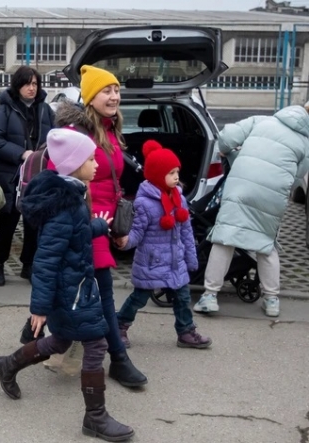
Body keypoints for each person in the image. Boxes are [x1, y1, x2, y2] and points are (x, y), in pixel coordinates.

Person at [0, 129, 134, 442]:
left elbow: (73, 235)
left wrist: (97, 226)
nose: (96, 164)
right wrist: (39, 308)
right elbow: (45, 260)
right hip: (70, 294)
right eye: (90, 158)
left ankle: (7, 365)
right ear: (73, 163)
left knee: (60, 342)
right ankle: (95, 417)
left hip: (75, 289)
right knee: (97, 343)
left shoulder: (71, 195)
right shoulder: (65, 205)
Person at [53, 65, 147, 388]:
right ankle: (118, 360)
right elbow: (58, 178)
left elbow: (113, 183)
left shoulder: (110, 131)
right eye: (106, 90)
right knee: (103, 292)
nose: (114, 96)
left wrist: (117, 227)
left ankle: (31, 339)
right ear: (91, 97)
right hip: (85, 222)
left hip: (104, 224)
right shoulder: (76, 134)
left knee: (80, 292)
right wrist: (82, 222)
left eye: (117, 90)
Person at [193, 105, 309, 317]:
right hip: (273, 195)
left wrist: (229, 153)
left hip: (241, 187)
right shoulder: (306, 142)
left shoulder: (262, 121)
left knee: (225, 238)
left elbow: (227, 137)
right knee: (266, 244)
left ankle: (209, 296)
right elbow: (298, 175)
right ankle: (272, 300)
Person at [115, 140, 211, 349]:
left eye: (177, 172)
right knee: (139, 298)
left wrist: (190, 257)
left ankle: (186, 331)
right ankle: (119, 325)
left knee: (183, 298)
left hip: (175, 261)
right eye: (171, 173)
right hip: (152, 261)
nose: (177, 177)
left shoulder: (179, 199)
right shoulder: (144, 203)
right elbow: (138, 232)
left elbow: (186, 231)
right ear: (158, 175)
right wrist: (126, 242)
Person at [0, 66, 54, 287]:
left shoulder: (45, 110)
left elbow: (56, 137)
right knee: (8, 223)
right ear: (18, 86)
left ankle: (29, 265)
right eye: (27, 83)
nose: (32, 88)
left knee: (34, 224)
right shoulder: (4, 111)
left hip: (39, 176)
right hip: (12, 176)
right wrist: (21, 154)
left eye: (35, 84)